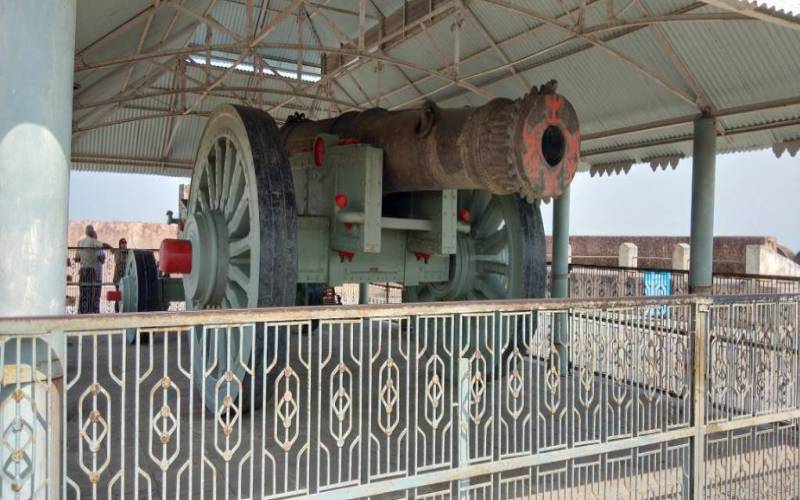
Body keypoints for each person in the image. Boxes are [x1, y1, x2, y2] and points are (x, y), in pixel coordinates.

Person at [75, 225, 102, 313]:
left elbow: (77, 258)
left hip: (82, 270)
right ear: (91, 232)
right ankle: (89, 312)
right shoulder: (92, 241)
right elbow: (102, 244)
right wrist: (111, 248)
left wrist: (83, 258)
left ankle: (82, 311)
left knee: (83, 291)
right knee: (91, 291)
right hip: (90, 270)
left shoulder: (79, 242)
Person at [112, 238, 129, 312]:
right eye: (122, 243)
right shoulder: (117, 252)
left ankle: (124, 309)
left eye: (125, 243)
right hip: (118, 277)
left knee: (125, 294)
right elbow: (118, 261)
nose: (124, 244)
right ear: (120, 244)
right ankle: (117, 310)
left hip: (125, 276)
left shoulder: (128, 252)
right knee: (118, 294)